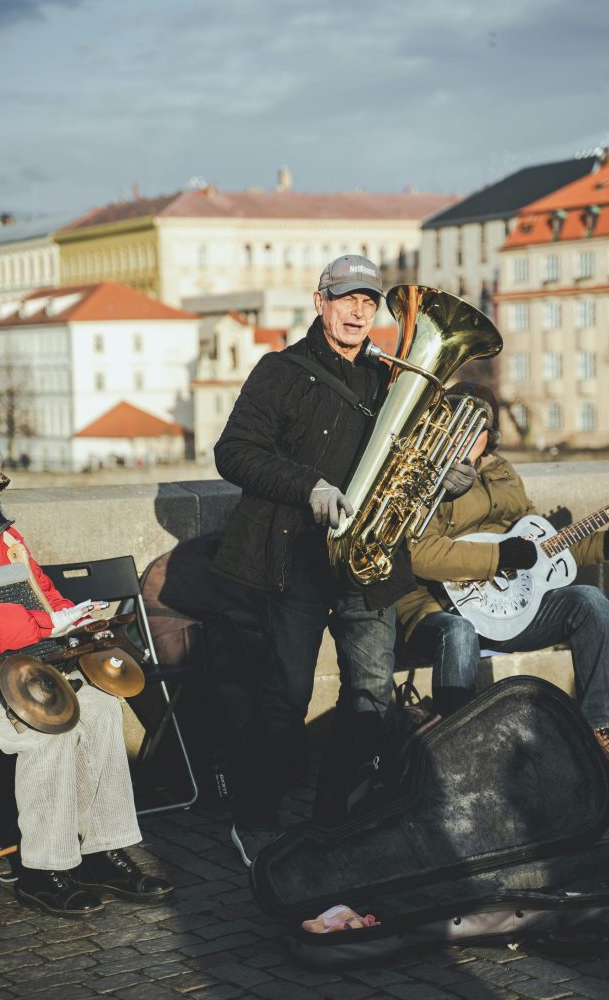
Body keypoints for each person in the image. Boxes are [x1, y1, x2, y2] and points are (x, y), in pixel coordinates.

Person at [213, 255, 421, 866]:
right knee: (286, 695)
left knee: (370, 694)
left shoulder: (391, 378)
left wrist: (446, 476)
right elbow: (234, 452)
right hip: (295, 556)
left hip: (368, 559)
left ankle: (336, 817)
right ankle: (255, 818)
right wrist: (308, 486)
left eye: (369, 302)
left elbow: (409, 461)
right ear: (320, 301)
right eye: (346, 298)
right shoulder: (279, 370)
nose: (359, 311)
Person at [0, 430, 174, 917]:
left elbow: (41, 591)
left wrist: (74, 613)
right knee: (50, 727)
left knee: (101, 706)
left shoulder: (2, 532)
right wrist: (43, 621)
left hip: (19, 662)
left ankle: (101, 852)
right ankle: (44, 869)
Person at [396, 381, 609, 776]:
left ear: (489, 434)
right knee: (458, 632)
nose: (463, 437)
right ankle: (452, 760)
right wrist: (499, 556)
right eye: (455, 427)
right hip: (437, 608)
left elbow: (544, 547)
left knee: (588, 602)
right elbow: (420, 554)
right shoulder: (427, 479)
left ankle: (602, 731)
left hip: (506, 607)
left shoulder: (503, 473)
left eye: (473, 428)